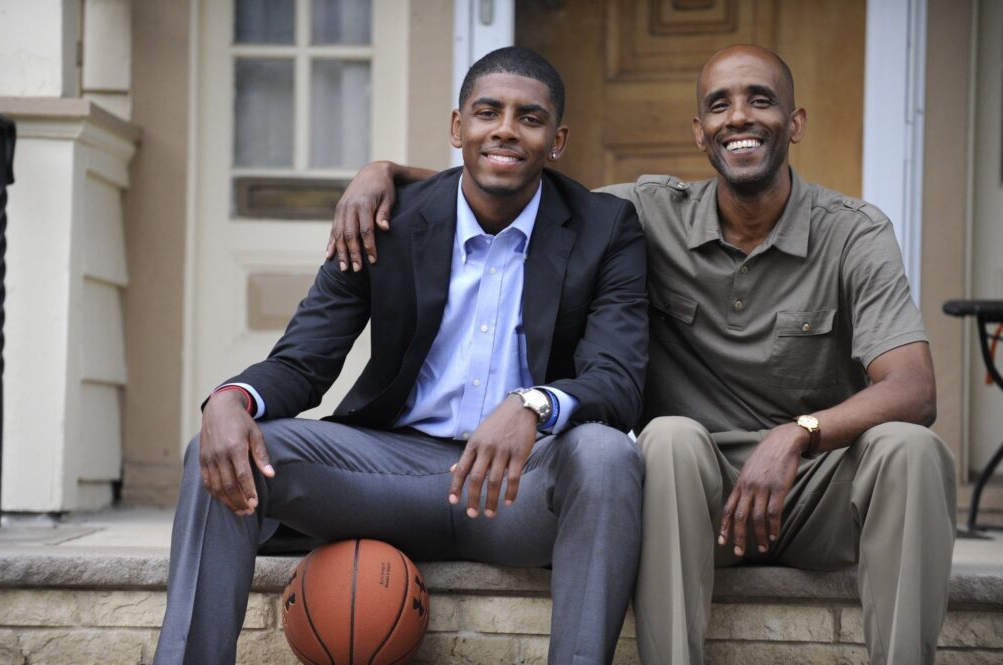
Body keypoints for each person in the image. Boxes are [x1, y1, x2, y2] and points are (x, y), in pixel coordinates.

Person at [326, 44, 956, 665]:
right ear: (700, 132)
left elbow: (913, 389)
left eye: (759, 101)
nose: (738, 117)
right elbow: (515, 174)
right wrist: (385, 173)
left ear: (793, 123)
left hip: (813, 485)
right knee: (669, 439)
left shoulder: (854, 230)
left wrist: (799, 434)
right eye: (719, 106)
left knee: (912, 448)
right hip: (693, 500)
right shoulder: (644, 213)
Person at [153, 46, 648, 665]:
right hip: (388, 475)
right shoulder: (383, 220)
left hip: (519, 488)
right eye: (487, 112)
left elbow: (618, 379)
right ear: (456, 127)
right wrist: (231, 397)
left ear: (557, 139)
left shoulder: (606, 228)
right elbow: (303, 361)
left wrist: (534, 404)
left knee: (607, 453)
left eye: (529, 117)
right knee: (222, 447)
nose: (505, 130)